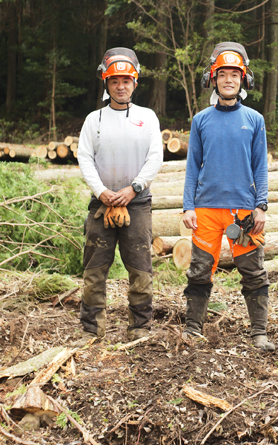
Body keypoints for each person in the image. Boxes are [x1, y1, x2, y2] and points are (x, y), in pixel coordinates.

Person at [181, 42, 275, 351]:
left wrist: (261, 205)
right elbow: (192, 165)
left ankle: (259, 332)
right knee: (199, 269)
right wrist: (188, 205)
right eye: (223, 74)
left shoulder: (255, 120)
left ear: (244, 79)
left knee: (253, 271)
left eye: (235, 74)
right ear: (214, 78)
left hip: (243, 212)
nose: (229, 80)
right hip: (206, 207)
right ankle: (193, 327)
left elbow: (261, 165)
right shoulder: (201, 120)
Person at [76, 48, 163, 343]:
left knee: (140, 269)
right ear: (106, 82)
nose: (121, 86)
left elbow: (155, 157)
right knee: (94, 269)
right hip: (101, 206)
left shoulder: (147, 118)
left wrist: (133, 188)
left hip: (136, 204)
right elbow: (85, 158)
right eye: (115, 81)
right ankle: (91, 329)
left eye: (126, 80)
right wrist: (101, 191)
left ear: (135, 83)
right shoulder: (94, 120)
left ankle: (139, 328)